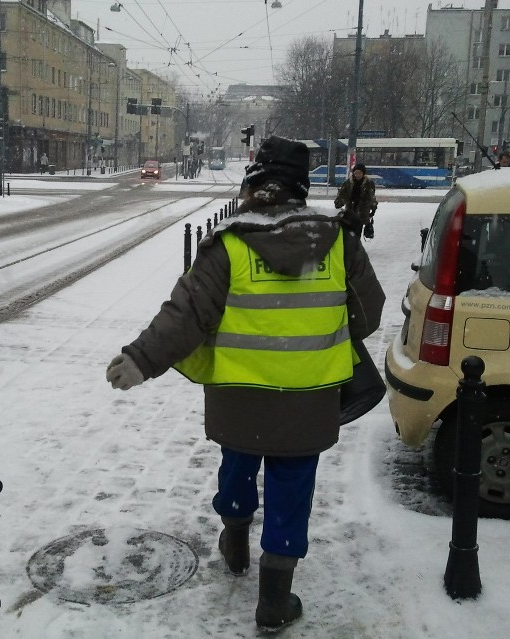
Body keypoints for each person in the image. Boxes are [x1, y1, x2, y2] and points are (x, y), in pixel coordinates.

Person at [106, 136, 385, 632]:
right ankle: (274, 600)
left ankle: (234, 539)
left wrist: (140, 359)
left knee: (237, 464)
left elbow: (186, 315)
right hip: (310, 396)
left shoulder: (229, 246)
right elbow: (369, 314)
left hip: (238, 395)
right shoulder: (339, 241)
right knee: (293, 488)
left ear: (253, 186)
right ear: (301, 189)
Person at [334, 162, 378, 239]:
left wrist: (373, 207)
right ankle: (350, 246)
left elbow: (371, 196)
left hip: (362, 211)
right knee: (349, 230)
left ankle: (356, 247)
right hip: (350, 210)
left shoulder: (369, 183)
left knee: (358, 231)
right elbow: (342, 194)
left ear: (363, 173)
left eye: (360, 173)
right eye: (356, 173)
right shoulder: (348, 183)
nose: (357, 175)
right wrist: (339, 202)